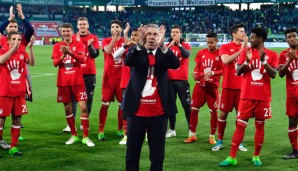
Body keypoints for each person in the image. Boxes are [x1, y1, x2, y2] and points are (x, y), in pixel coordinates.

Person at [122, 24, 180, 171]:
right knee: (132, 156)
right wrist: (140, 44)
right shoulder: (137, 51)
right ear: (144, 36)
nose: (152, 37)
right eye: (149, 34)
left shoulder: (163, 53)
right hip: (136, 113)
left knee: (157, 157)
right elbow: (128, 60)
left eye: (155, 34)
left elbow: (175, 64)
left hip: (159, 114)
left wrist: (164, 47)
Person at [219, 27, 278, 166]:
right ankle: (232, 157)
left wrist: (264, 61)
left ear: (260, 39)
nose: (249, 39)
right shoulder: (246, 51)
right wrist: (246, 61)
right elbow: (238, 72)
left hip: (263, 97)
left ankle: (256, 156)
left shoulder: (272, 54)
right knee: (240, 125)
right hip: (246, 96)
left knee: (260, 126)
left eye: (252, 37)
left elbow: (274, 74)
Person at [51, 23, 95, 147]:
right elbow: (55, 63)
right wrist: (63, 55)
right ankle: (74, 135)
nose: (65, 33)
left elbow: (82, 60)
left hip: (77, 81)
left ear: (72, 31)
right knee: (68, 108)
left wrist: (70, 52)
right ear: (61, 32)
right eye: (63, 31)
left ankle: (86, 137)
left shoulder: (79, 44)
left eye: (68, 31)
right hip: (64, 82)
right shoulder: (57, 46)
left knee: (83, 107)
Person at [0, 3, 34, 146]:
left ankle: (16, 131)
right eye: (11, 27)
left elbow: (30, 30)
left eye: (15, 26)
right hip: (5, 78)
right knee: (2, 113)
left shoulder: (22, 41)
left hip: (22, 76)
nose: (13, 28)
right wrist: (9, 18)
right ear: (6, 30)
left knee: (19, 109)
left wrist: (22, 17)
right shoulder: (2, 40)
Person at [212, 23, 248, 152]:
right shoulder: (226, 47)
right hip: (227, 87)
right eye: (241, 31)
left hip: (243, 88)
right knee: (223, 115)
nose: (244, 33)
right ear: (234, 34)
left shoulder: (248, 48)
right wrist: (241, 50)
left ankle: (239, 142)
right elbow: (225, 61)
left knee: (241, 118)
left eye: (244, 31)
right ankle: (220, 141)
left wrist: (245, 48)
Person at [184, 32, 223, 144]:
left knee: (214, 112)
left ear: (217, 41)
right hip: (200, 86)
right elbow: (197, 68)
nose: (209, 45)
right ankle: (192, 135)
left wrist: (212, 73)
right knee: (194, 110)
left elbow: (223, 71)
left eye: (211, 42)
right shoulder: (201, 53)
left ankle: (212, 136)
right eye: (207, 42)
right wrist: (196, 73)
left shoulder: (221, 54)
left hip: (213, 87)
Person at [62, 17, 100, 132]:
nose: (82, 26)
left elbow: (94, 55)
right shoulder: (73, 38)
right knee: (72, 99)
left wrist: (90, 46)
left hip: (89, 73)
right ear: (77, 26)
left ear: (87, 25)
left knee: (88, 99)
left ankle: (84, 122)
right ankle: (71, 124)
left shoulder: (93, 38)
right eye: (80, 24)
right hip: (75, 73)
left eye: (84, 24)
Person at [113, 23, 141, 145]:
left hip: (140, 84)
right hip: (126, 83)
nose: (134, 37)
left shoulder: (144, 49)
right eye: (133, 35)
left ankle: (143, 133)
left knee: (141, 109)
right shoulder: (127, 48)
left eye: (136, 35)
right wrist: (125, 45)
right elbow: (115, 56)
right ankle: (126, 135)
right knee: (125, 109)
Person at [98, 19, 125, 141]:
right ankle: (101, 131)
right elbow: (108, 51)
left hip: (122, 79)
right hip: (108, 78)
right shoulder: (106, 41)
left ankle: (120, 129)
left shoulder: (125, 42)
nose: (114, 28)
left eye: (117, 27)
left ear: (121, 29)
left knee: (122, 105)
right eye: (113, 26)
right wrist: (114, 38)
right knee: (105, 105)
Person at [165, 25, 191, 138]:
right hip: (168, 80)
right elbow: (161, 56)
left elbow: (186, 54)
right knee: (170, 105)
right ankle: (172, 129)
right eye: (173, 32)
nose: (175, 34)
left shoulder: (186, 45)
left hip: (182, 80)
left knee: (186, 105)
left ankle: (191, 129)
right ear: (170, 34)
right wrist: (171, 45)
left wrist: (179, 44)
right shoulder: (166, 46)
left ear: (181, 34)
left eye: (177, 32)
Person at [278, 28, 298, 159]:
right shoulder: (283, 54)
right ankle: (295, 150)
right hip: (292, 94)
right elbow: (280, 74)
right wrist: (289, 60)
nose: (291, 38)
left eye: (293, 36)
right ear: (286, 40)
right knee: (292, 121)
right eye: (288, 37)